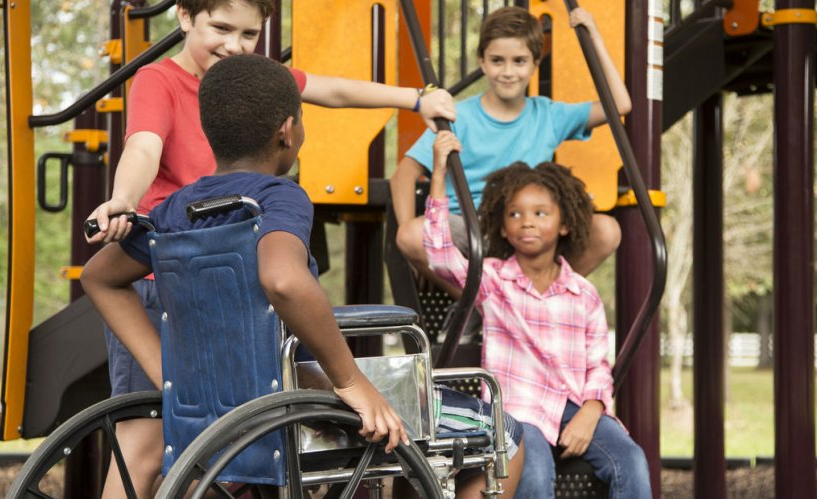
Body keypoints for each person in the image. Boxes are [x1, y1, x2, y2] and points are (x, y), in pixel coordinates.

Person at [83, 0, 455, 496]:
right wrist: (124, 202)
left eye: (250, 34)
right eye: (221, 28)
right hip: (170, 285)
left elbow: (331, 88)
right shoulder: (161, 82)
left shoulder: (252, 86)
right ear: (184, 17)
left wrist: (414, 98)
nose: (235, 46)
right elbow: (143, 146)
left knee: (243, 439)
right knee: (144, 442)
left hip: (236, 287)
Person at [81, 54, 523, 498]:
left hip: (222, 405)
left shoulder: (174, 209)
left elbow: (99, 277)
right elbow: (283, 280)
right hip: (292, 397)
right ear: (288, 131)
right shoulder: (278, 198)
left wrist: (171, 376)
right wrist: (352, 382)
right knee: (504, 430)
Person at [422, 131, 650, 498]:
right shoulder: (494, 280)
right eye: (516, 214)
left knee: (631, 459)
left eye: (540, 213)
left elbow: (598, 365)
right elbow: (439, 257)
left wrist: (592, 412)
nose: (527, 222)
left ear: (564, 224)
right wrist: (437, 173)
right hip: (518, 410)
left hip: (574, 406)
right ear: (503, 227)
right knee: (534, 469)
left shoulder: (583, 293)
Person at [392, 5, 629, 295]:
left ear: (534, 64)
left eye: (519, 61)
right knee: (411, 235)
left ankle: (539, 298)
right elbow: (404, 173)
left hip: (525, 225)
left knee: (607, 230)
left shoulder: (548, 115)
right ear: (482, 62)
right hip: (466, 229)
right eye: (497, 61)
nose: (508, 72)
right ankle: (482, 304)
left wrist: (594, 38)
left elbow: (620, 105)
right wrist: (415, 251)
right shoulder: (458, 116)